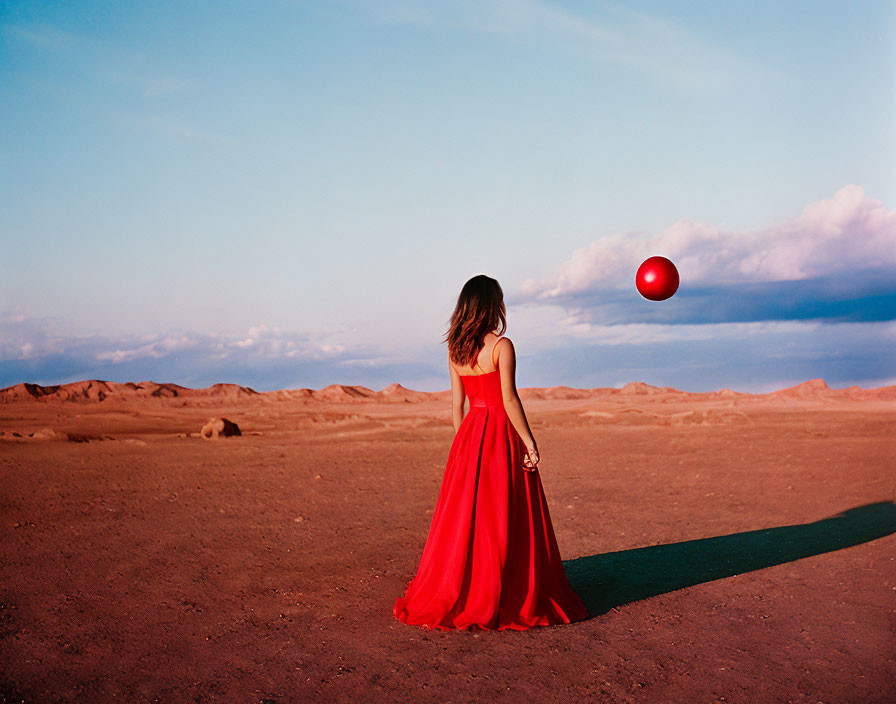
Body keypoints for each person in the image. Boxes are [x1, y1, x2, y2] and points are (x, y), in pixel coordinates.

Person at [392, 274, 589, 631]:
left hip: (470, 437)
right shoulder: (501, 346)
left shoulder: (455, 349)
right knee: (505, 512)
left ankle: (469, 586)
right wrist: (529, 441)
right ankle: (504, 589)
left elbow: (457, 407)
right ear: (492, 305)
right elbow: (509, 399)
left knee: (470, 518)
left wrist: (466, 445)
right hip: (500, 432)